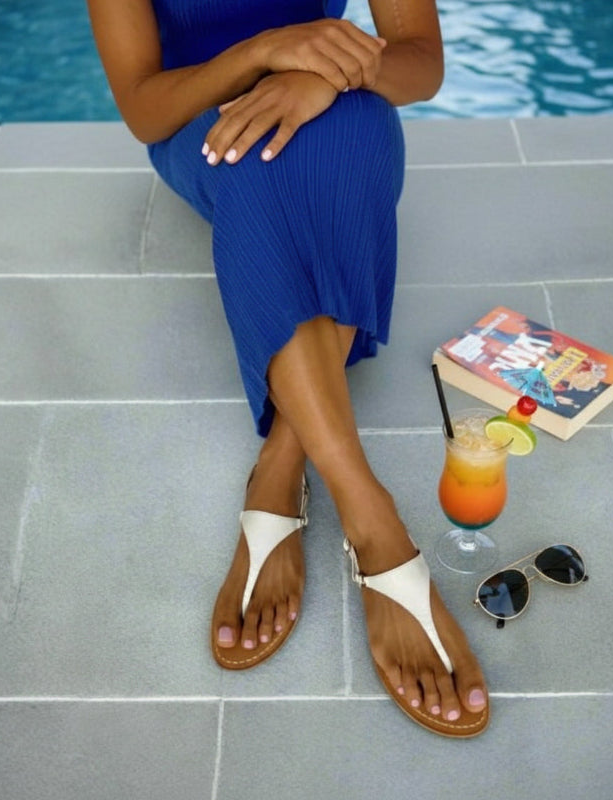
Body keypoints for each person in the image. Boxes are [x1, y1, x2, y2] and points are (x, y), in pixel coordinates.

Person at [87, 0, 490, 737]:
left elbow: (419, 60)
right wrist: (264, 52)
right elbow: (145, 108)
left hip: (336, 100)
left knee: (356, 136)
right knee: (255, 167)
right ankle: (372, 519)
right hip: (201, 117)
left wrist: (334, 78)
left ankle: (281, 463)